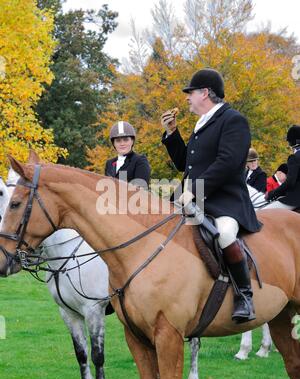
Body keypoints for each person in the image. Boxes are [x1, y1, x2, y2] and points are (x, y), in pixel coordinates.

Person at [161, 68, 262, 324]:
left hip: (224, 200)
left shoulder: (233, 120)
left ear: (205, 93)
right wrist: (172, 134)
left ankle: (244, 295)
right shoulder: (202, 123)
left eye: (190, 93)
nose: (187, 98)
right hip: (193, 198)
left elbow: (227, 163)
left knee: (226, 234)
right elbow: (186, 163)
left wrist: (194, 190)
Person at [105, 121, 151, 188]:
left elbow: (141, 188)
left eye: (126, 140)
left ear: (132, 141)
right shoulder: (109, 163)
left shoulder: (140, 160)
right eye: (118, 141)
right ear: (113, 143)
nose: (122, 144)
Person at [264, 126, 300, 210]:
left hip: (296, 199)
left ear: (293, 142)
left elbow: (290, 183)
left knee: (263, 213)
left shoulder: (294, 158)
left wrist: (271, 194)